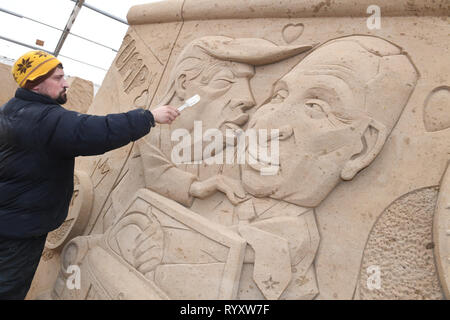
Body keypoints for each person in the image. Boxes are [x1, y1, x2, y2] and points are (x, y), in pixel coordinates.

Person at [0, 50, 179, 300]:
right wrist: (149, 116)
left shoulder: (10, 109)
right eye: (58, 78)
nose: (66, 83)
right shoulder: (46, 120)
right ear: (36, 83)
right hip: (21, 230)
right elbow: (97, 131)